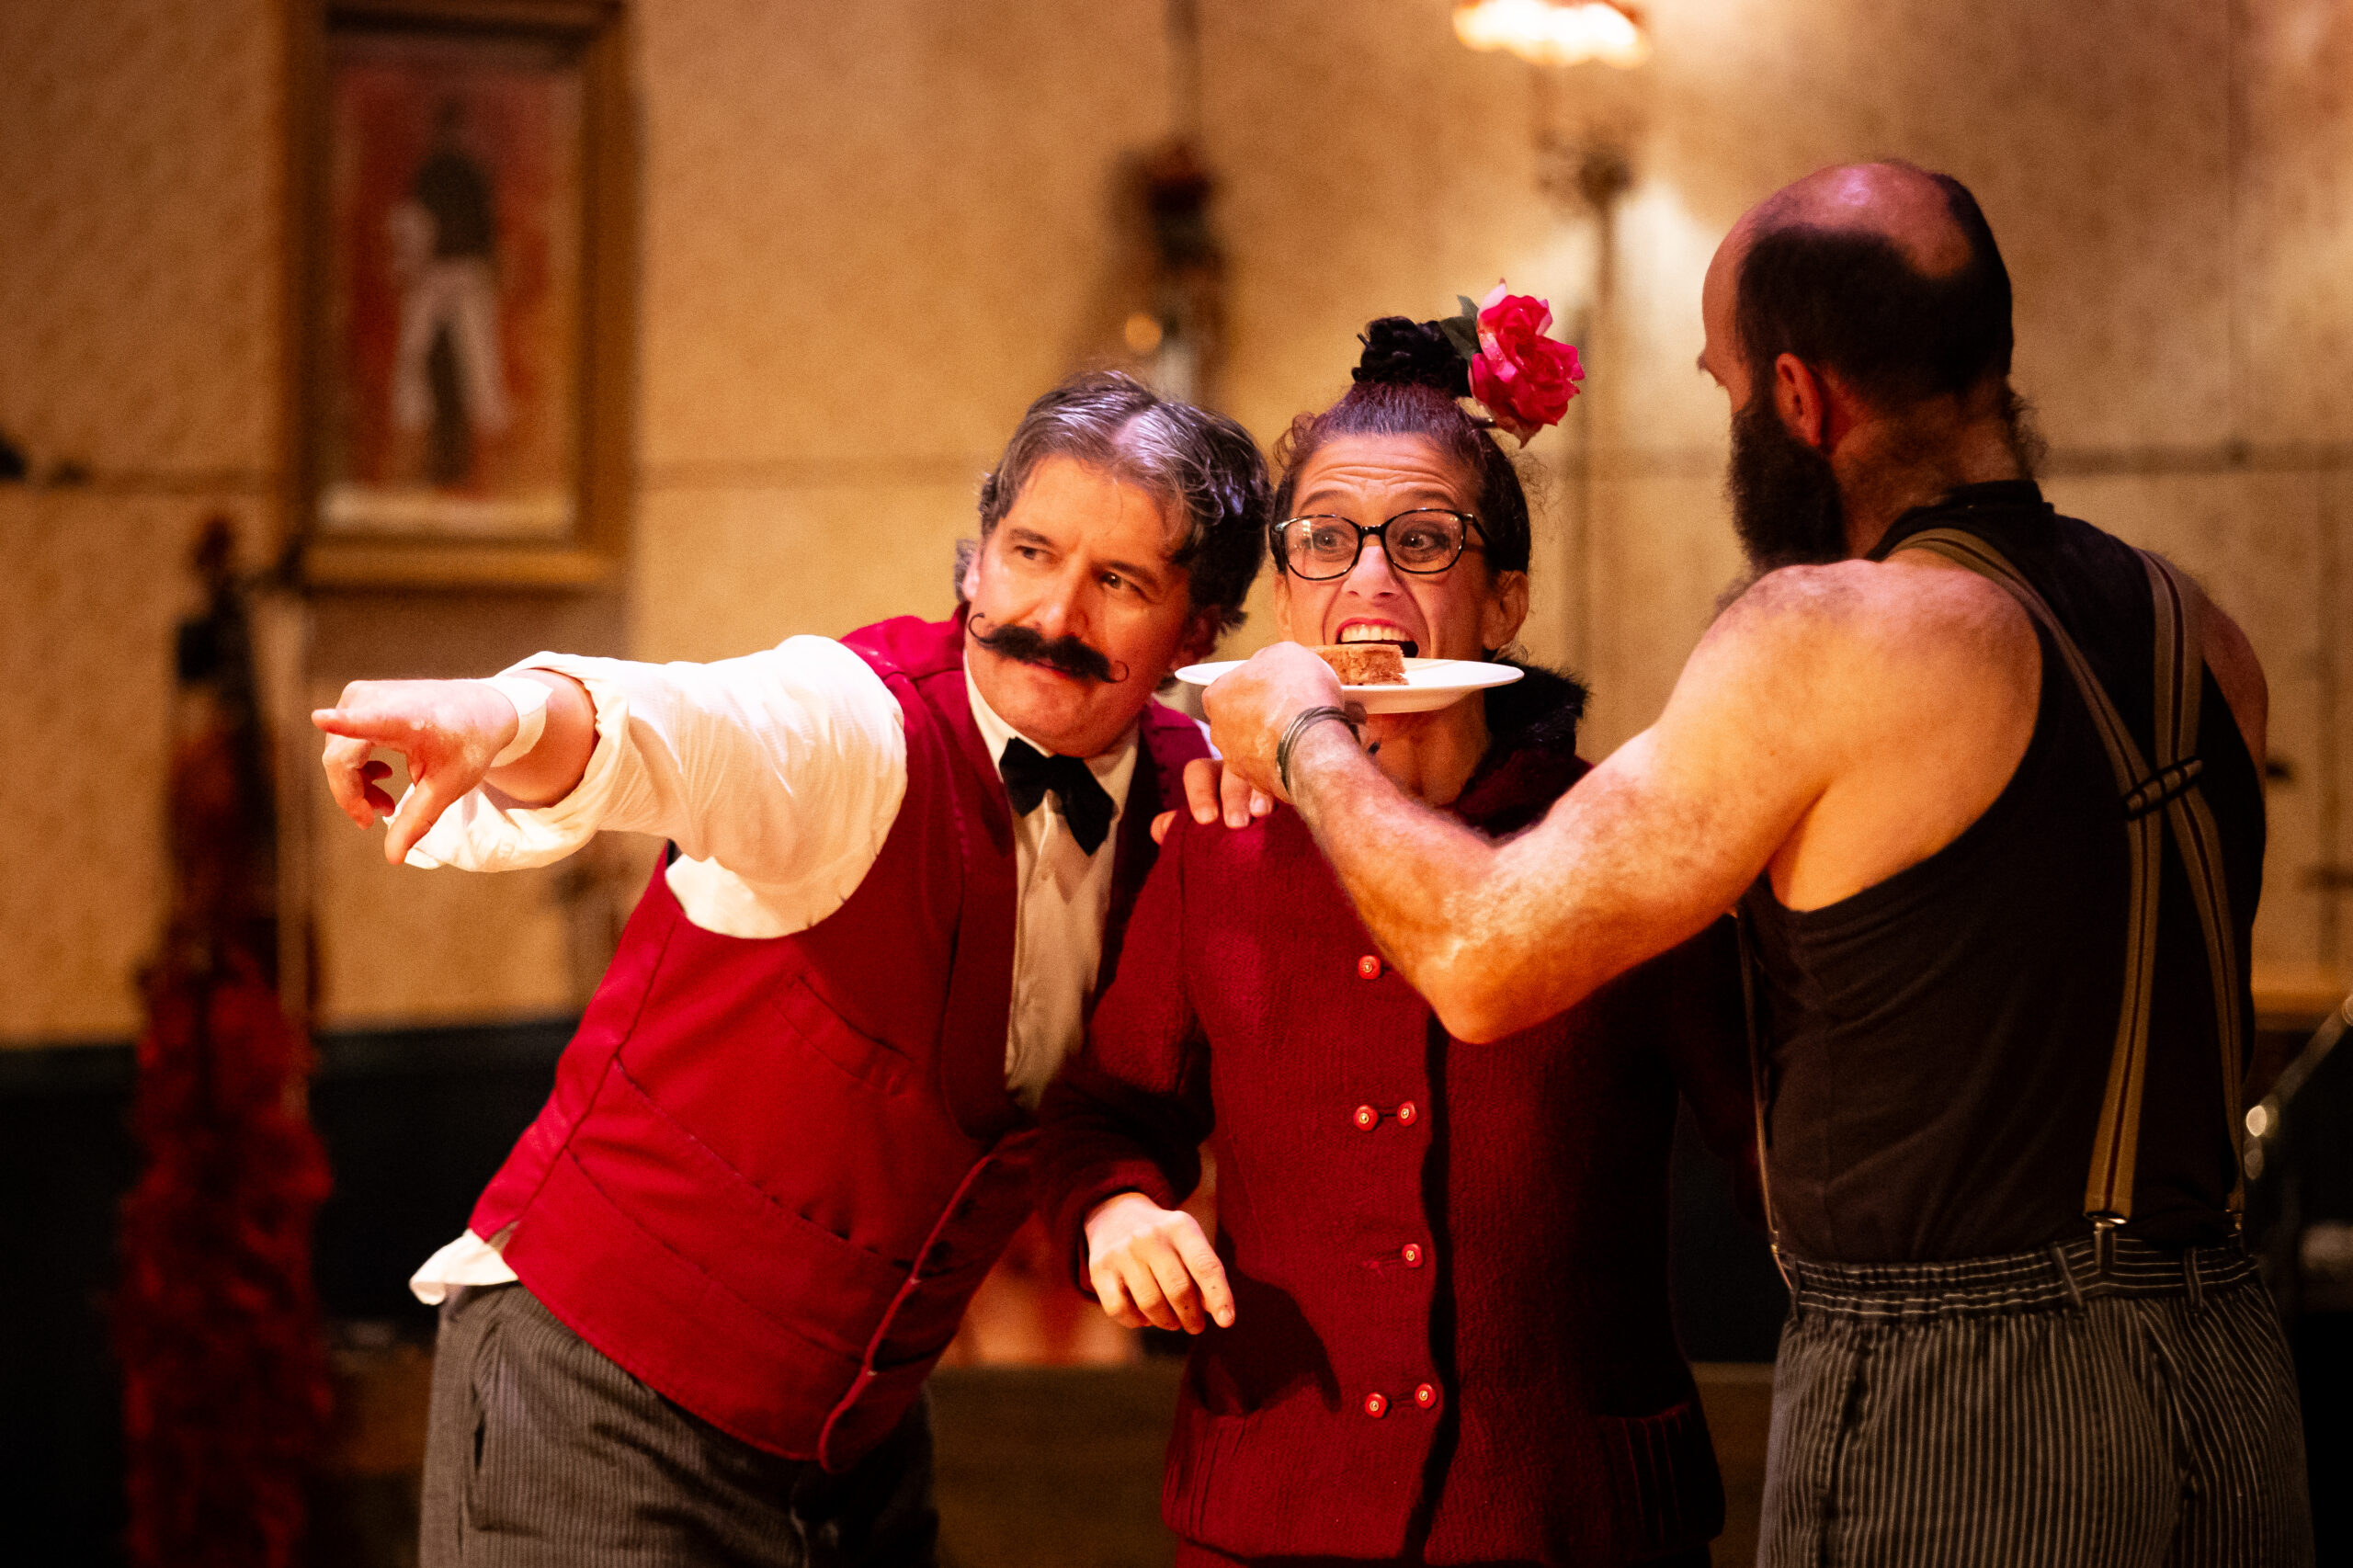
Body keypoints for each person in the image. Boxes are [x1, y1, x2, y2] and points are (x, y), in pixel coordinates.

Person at [1199, 165, 2315, 1566]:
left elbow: (1481, 959)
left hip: (1969, 1403)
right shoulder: (2199, 631)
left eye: (1726, 387)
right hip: (2229, 1364)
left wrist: (1302, 737)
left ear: (1798, 399)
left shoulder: (1830, 632)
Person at [312, 371, 1269, 1566]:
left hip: (856, 1447)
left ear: (1198, 631)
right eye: (1029, 552)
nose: (1054, 611)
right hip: (597, 1403)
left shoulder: (1190, 797)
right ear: (977, 560)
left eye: (1119, 581)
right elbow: (682, 726)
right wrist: (500, 717)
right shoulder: (856, 731)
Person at [1035, 304, 1756, 1566]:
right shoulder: (1216, 846)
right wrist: (1114, 1212)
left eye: (1421, 542)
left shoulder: (1619, 839)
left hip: (1567, 1523)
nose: (1368, 583)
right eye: (1323, 542)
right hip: (1273, 1517)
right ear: (1285, 597)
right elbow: (1099, 1117)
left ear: (1504, 600)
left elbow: (1788, 1146)